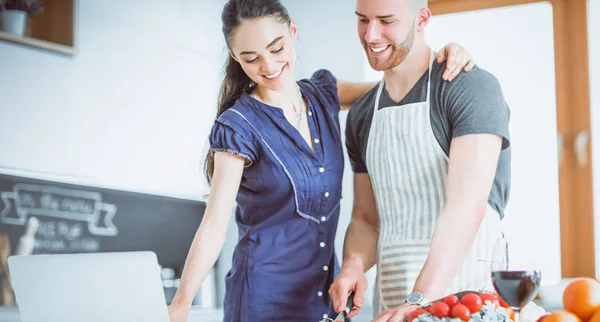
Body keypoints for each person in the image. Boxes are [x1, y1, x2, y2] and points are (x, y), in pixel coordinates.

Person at [167, 0, 475, 321]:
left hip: (325, 297)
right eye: (251, 58)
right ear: (235, 57)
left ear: (293, 31)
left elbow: (399, 87)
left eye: (277, 48)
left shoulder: (322, 94)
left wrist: (444, 60)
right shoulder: (237, 127)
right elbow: (215, 223)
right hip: (263, 299)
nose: (269, 65)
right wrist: (182, 302)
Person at [328, 0, 511, 321]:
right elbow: (366, 220)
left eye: (386, 21)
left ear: (422, 19)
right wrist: (352, 266)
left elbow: (466, 209)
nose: (371, 35)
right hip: (394, 303)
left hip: (470, 301)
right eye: (362, 20)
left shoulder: (470, 87)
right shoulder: (362, 114)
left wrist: (419, 299)